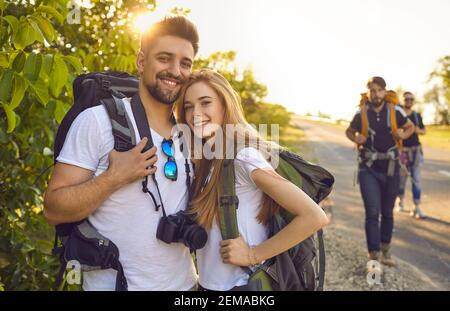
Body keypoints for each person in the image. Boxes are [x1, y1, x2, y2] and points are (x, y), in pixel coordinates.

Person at [43, 16, 200, 290]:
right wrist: (113, 177)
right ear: (141, 62)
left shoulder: (191, 131)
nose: (175, 71)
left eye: (185, 63)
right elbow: (53, 209)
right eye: (164, 58)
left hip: (186, 287)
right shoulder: (98, 120)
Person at [175, 69, 329, 291]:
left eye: (205, 102)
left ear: (224, 106)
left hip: (243, 287)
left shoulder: (243, 157)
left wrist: (252, 254)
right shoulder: (208, 160)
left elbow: (314, 216)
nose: (195, 114)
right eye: (188, 106)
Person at [345, 77, 415, 266]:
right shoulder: (362, 114)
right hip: (368, 169)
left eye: (379, 90)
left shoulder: (395, 111)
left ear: (385, 92)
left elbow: (410, 127)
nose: (375, 94)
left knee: (388, 212)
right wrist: (356, 138)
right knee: (372, 211)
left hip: (391, 169)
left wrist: (403, 134)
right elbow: (349, 131)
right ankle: (373, 253)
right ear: (368, 92)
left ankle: (386, 250)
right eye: (372, 90)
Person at [397, 92, 426, 219]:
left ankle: (417, 207)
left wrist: (414, 129)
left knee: (417, 179)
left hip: (416, 151)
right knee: (401, 180)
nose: (408, 101)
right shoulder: (399, 115)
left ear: (413, 101)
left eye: (411, 99)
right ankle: (400, 201)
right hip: (403, 151)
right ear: (403, 100)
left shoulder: (416, 115)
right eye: (406, 99)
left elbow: (423, 130)